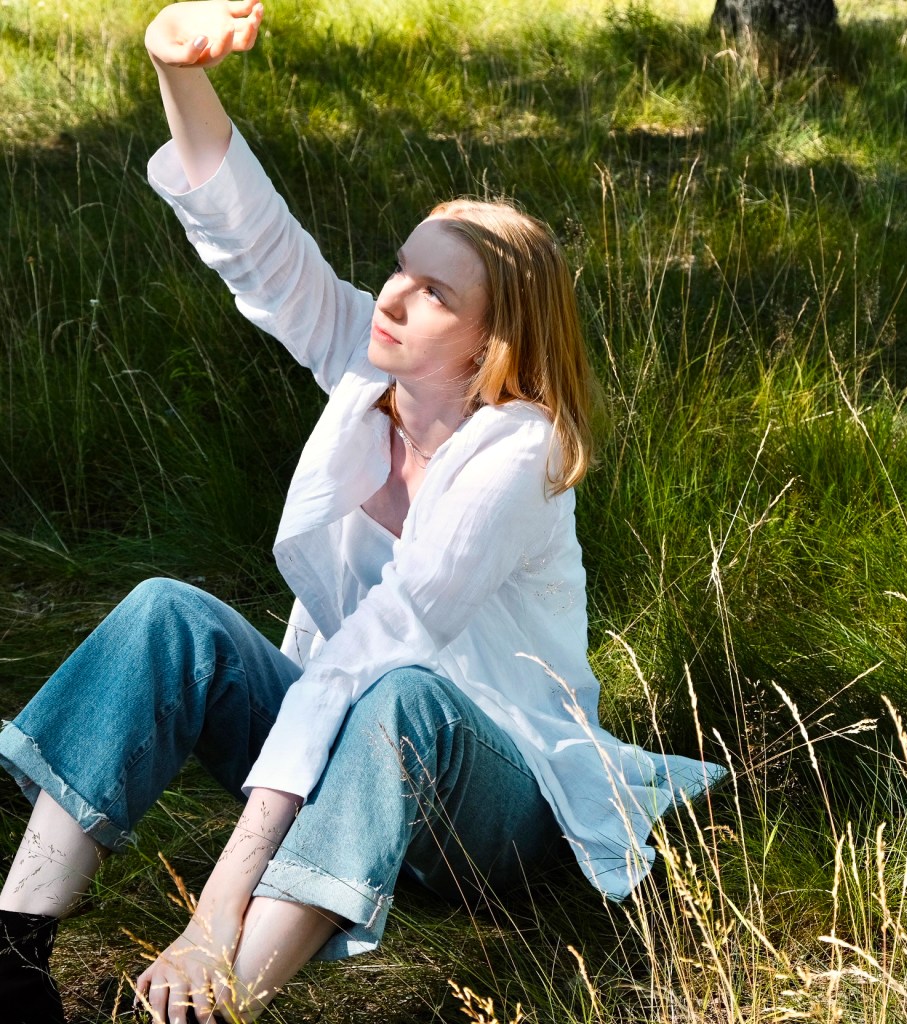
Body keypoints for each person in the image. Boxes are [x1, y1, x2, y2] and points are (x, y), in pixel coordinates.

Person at [0, 2, 722, 1022]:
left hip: (492, 794)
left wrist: (214, 909)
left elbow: (370, 656)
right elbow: (257, 245)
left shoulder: (519, 451)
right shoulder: (370, 368)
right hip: (338, 751)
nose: (390, 298)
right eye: (399, 268)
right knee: (166, 611)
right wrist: (175, 68)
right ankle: (14, 953)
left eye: (434, 292)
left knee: (401, 692)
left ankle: (218, 999)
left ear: (492, 343)